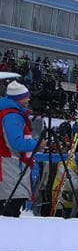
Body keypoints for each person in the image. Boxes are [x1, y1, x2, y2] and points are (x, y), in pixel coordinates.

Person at [0, 81, 37, 219]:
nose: (28, 99)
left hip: (9, 167)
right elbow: (17, 144)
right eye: (25, 97)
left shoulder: (7, 112)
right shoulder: (12, 116)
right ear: (18, 98)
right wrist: (37, 144)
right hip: (10, 168)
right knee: (10, 210)